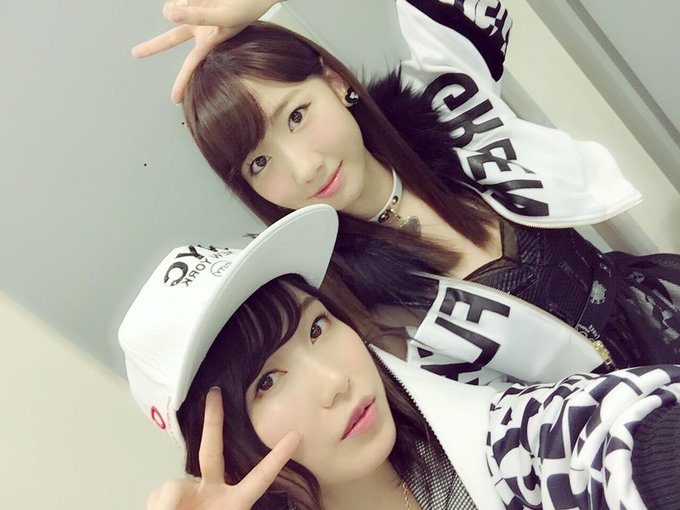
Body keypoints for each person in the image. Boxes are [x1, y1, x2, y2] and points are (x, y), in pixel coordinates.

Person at [132, 0, 680, 385]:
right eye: (259, 162)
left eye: (297, 116)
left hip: (662, 318)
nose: (303, 168)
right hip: (603, 445)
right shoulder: (339, 303)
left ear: (334, 82)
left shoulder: (443, 111)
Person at [120, 205, 680, 510]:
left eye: (318, 327)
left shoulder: (509, 446)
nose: (335, 381)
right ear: (227, 452)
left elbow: (608, 437)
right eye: (267, 382)